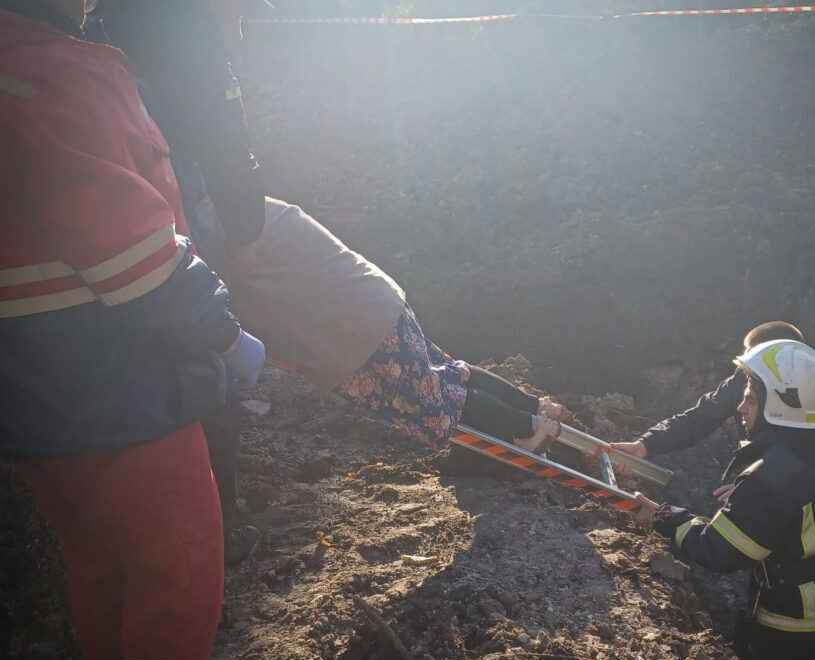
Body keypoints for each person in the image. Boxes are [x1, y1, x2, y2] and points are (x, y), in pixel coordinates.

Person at [89, 0, 566, 536]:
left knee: (428, 397)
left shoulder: (218, 211)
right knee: (434, 373)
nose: (246, 20)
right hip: (365, 299)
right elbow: (234, 173)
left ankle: (524, 433)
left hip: (351, 319)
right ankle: (533, 413)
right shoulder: (231, 176)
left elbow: (244, 255)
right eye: (241, 9)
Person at [0, 1, 265, 660]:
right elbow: (137, 257)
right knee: (179, 573)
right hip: (118, 391)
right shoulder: (54, 72)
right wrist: (226, 334)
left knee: (99, 557)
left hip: (41, 404)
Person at [610, 320, 815, 660]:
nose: (740, 403)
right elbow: (708, 415)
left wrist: (664, 516)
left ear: (777, 390)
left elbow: (721, 550)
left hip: (797, 616)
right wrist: (647, 445)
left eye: (750, 397)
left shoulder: (777, 468)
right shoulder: (808, 410)